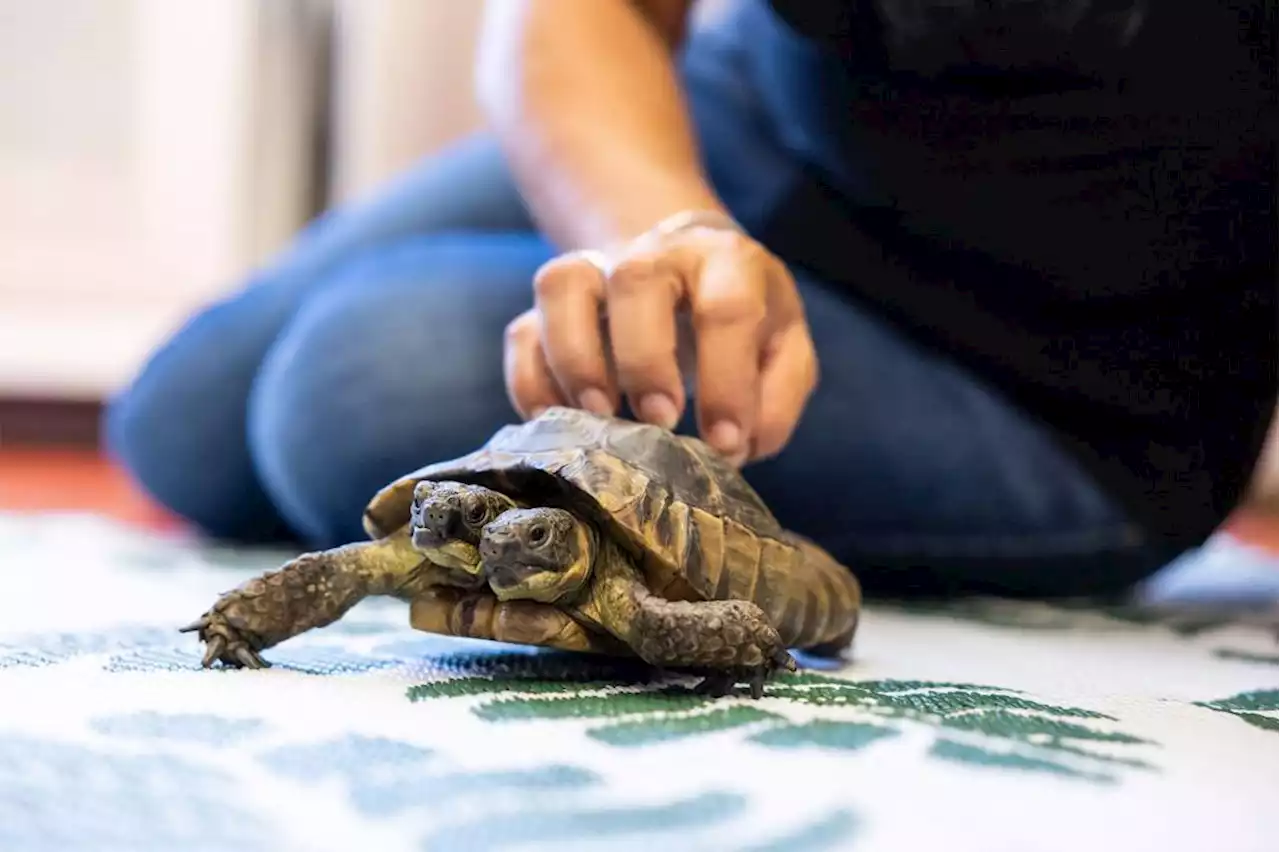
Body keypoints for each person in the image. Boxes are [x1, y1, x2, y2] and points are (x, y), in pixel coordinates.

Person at [104, 0, 1276, 599]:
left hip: (1050, 371)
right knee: (180, 421)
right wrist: (657, 226)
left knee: (350, 387)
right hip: (753, 132)